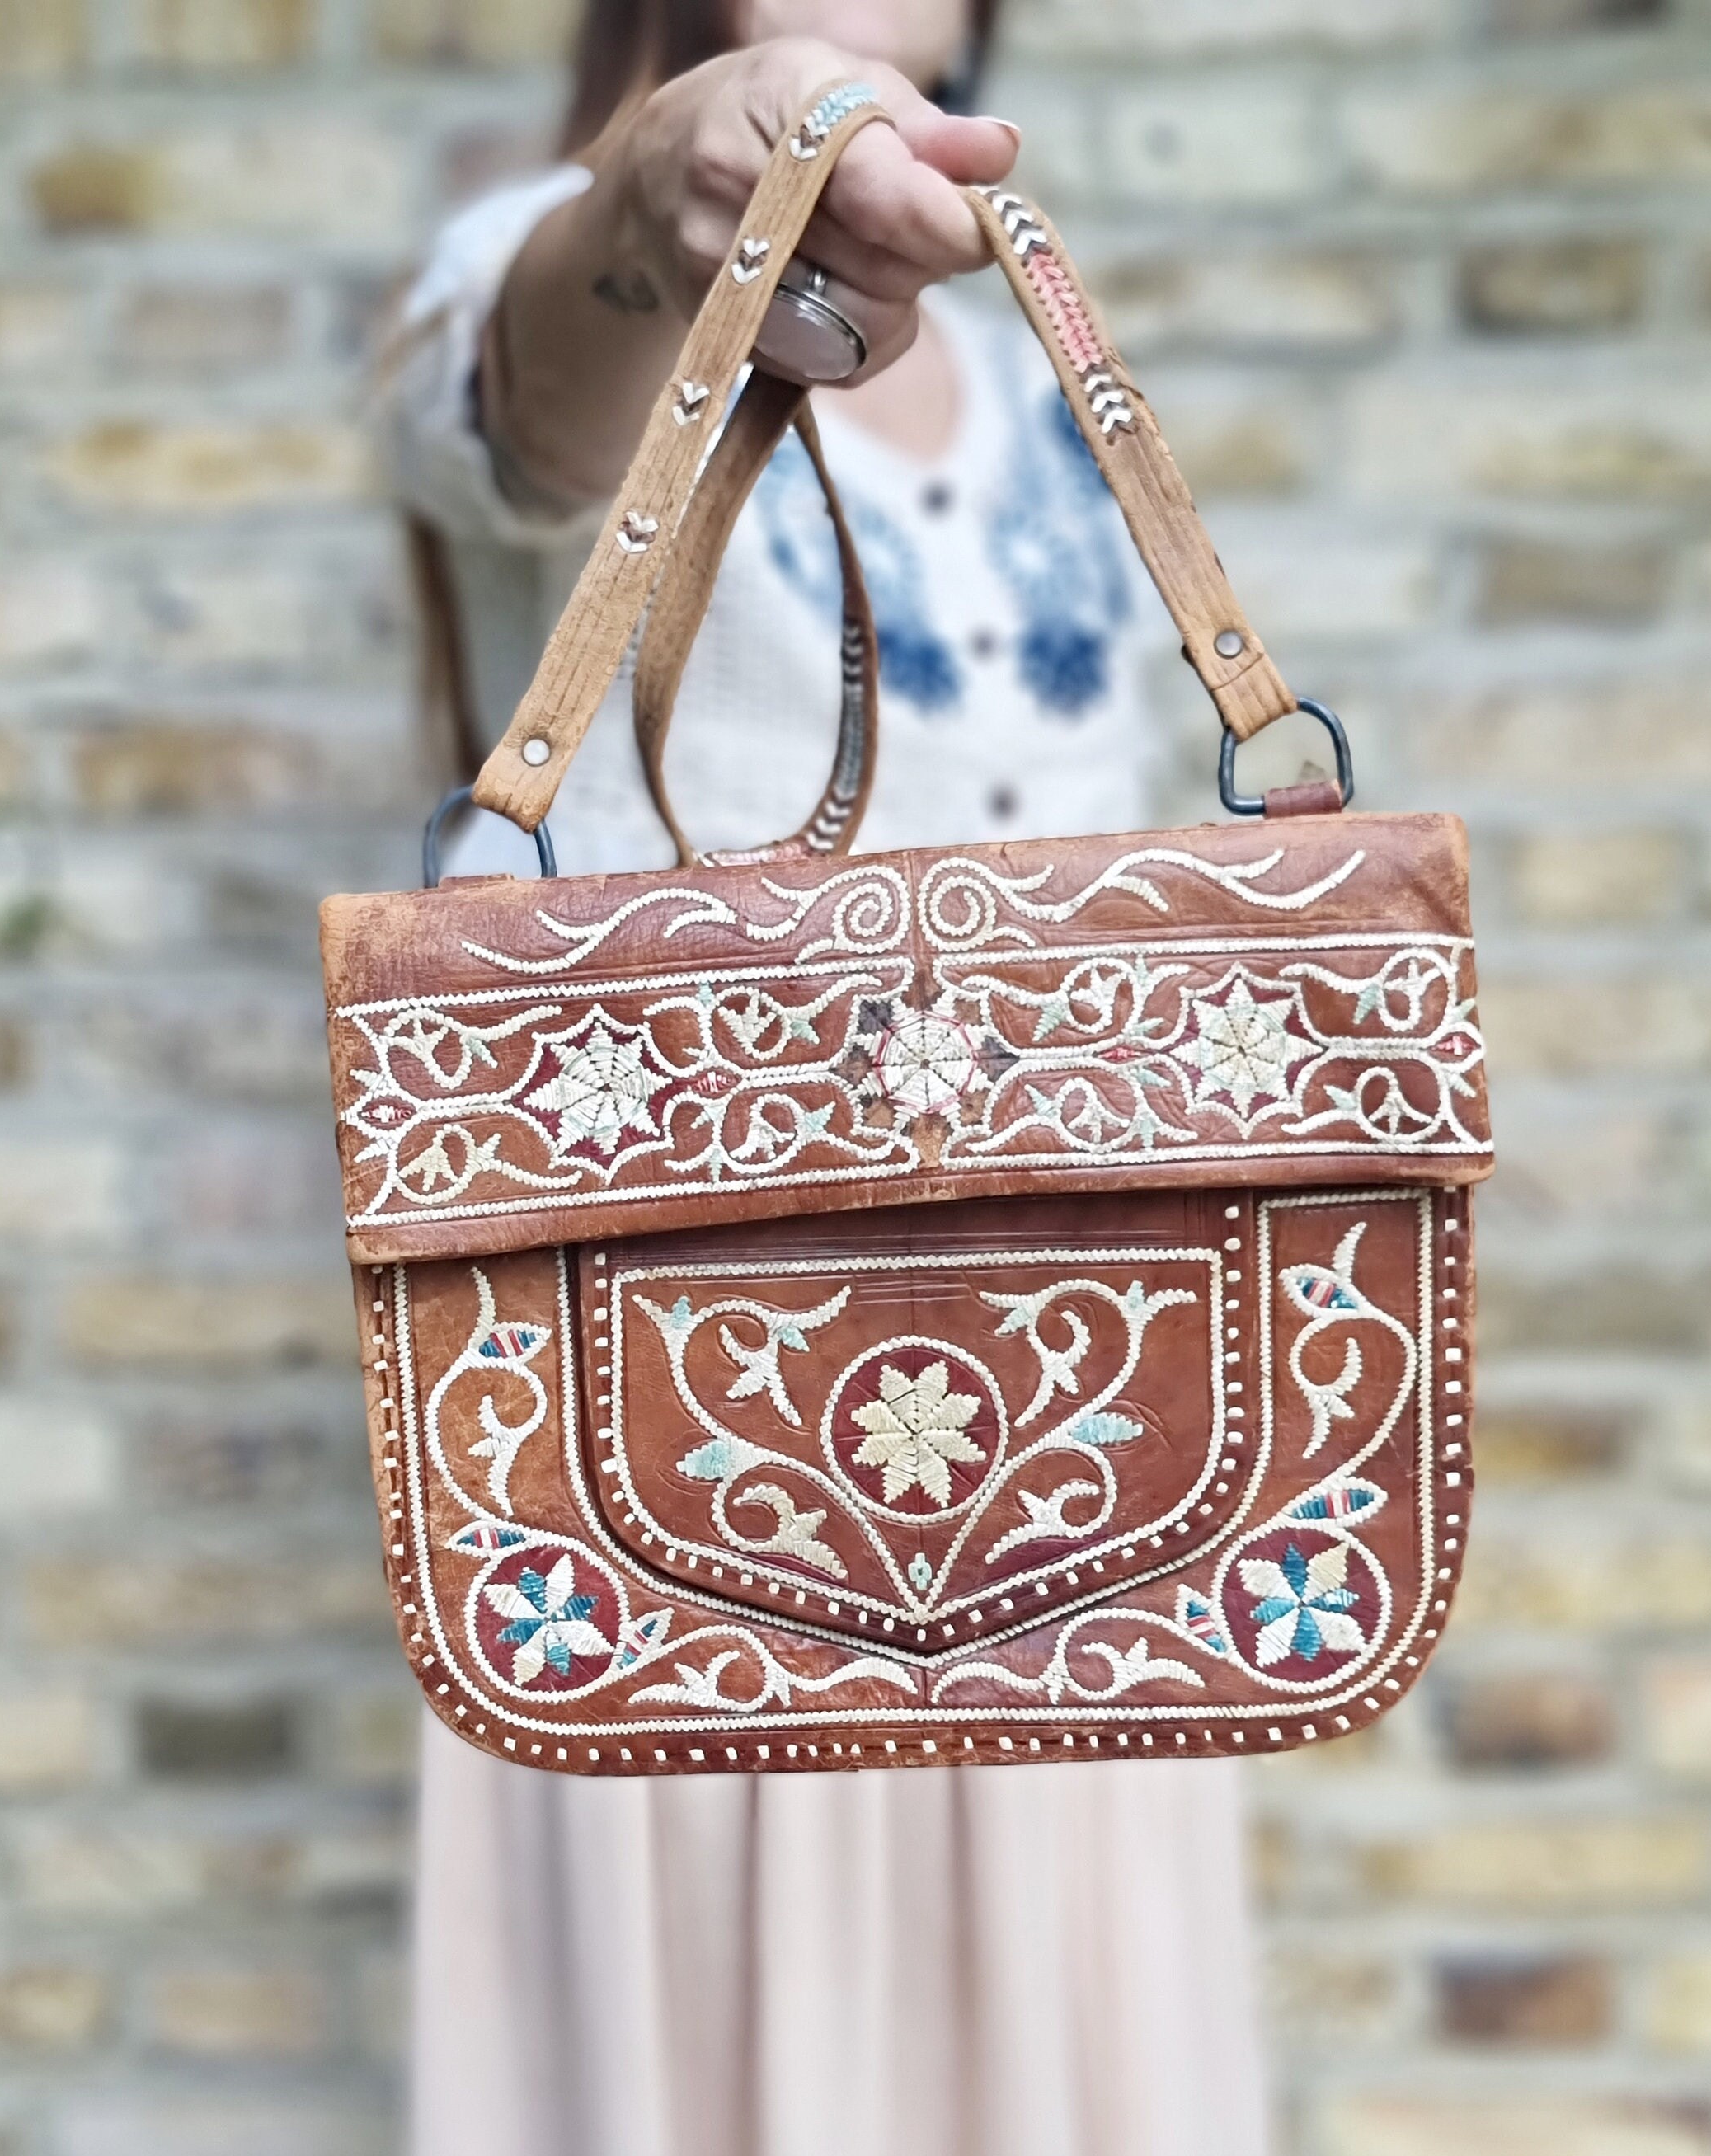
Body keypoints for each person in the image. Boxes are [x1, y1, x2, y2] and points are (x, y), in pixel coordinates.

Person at [380, 6, 1271, 2153]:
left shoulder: (1043, 349)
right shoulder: (546, 258)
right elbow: (517, 399)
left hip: (1074, 1412)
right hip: (682, 1426)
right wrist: (657, 200)